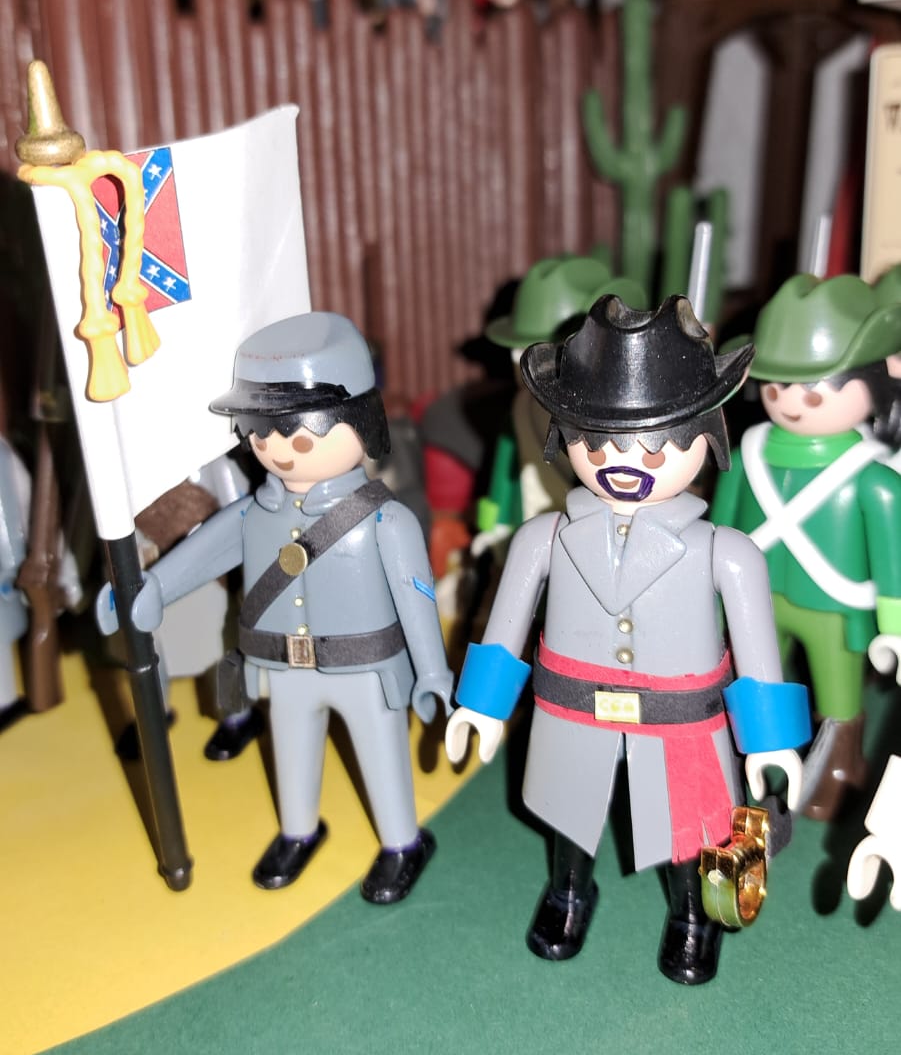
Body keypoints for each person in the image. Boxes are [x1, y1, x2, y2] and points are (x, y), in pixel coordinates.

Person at [447, 295, 809, 985]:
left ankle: (693, 915)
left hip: (681, 721)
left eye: (657, 445)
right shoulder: (542, 538)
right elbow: (504, 628)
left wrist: (769, 741)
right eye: (597, 443)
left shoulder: (725, 552)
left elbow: (759, 658)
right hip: (570, 707)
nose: (623, 462)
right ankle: (568, 892)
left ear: (705, 439)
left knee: (690, 825)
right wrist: (482, 706)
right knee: (567, 811)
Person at [99, 312, 453, 901]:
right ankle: (297, 830)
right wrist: (149, 591)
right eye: (262, 435)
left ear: (358, 423)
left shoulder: (387, 521)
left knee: (381, 756)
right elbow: (198, 557)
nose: (279, 451)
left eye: (299, 435)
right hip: (283, 667)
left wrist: (433, 673)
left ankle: (401, 841)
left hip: (366, 668)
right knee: (290, 752)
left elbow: (418, 600)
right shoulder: (251, 514)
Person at [711, 273, 901, 822]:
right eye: (776, 385)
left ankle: (839, 766)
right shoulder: (746, 458)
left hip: (836, 609)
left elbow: (892, 562)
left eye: (817, 388)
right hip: (755, 600)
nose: (792, 402)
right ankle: (757, 755)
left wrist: (894, 625)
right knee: (756, 681)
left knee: (838, 694)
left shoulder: (874, 480)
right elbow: (718, 535)